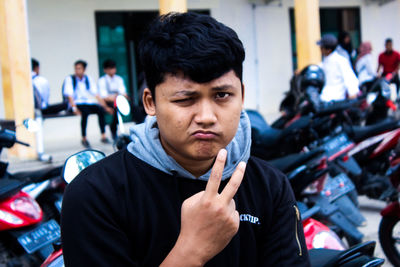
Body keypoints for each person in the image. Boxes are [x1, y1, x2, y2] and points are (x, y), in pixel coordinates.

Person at [61, 12, 310, 266]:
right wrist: (191, 251)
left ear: (242, 95)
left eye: (222, 95)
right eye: (184, 99)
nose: (206, 116)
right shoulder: (95, 195)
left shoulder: (270, 187)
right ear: (150, 102)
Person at [62, 60, 113, 147]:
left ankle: (103, 135)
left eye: (79, 68)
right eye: (76, 68)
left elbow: (96, 94)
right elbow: (69, 96)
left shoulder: (88, 79)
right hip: (76, 103)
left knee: (100, 110)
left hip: (87, 102)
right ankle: (84, 138)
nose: (77, 71)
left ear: (84, 69)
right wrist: (74, 108)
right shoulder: (70, 79)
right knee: (85, 113)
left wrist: (105, 107)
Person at [318, 34, 360, 102]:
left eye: (322, 47)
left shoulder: (340, 61)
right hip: (324, 98)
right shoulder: (325, 61)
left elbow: (349, 77)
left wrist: (352, 92)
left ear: (329, 49)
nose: (320, 49)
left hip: (337, 99)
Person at [98, 59, 128, 140]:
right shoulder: (102, 80)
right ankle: (113, 129)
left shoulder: (119, 79)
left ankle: (140, 123)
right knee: (115, 108)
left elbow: (124, 93)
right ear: (105, 70)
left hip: (119, 101)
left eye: (113, 68)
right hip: (109, 103)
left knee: (133, 106)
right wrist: (117, 96)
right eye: (110, 68)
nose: (112, 70)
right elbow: (104, 97)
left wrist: (117, 97)